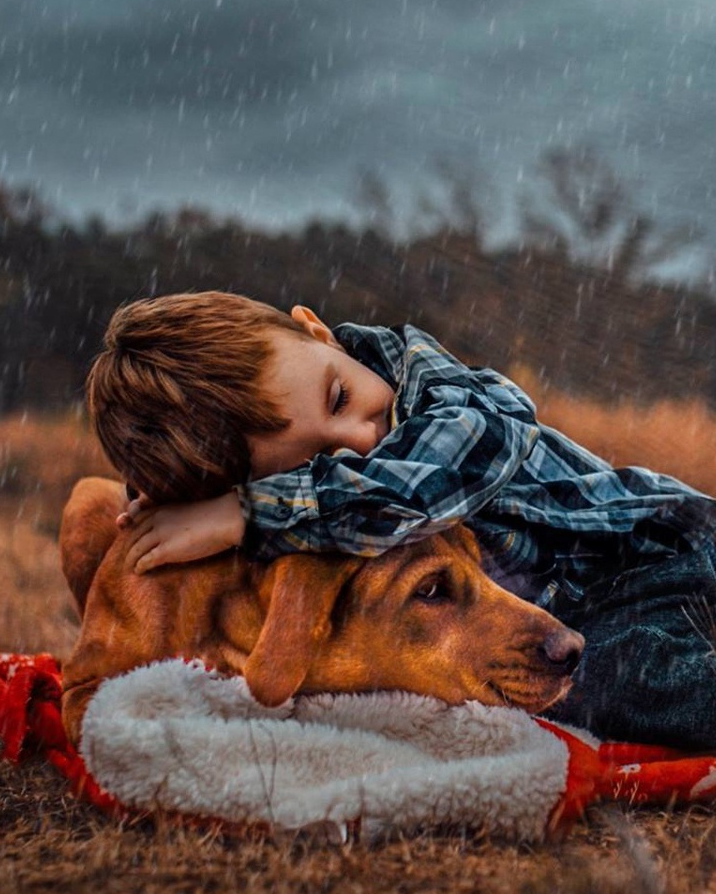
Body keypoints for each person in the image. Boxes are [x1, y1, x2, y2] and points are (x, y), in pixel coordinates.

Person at [87, 290, 716, 749]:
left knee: (627, 683)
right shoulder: (337, 495)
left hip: (664, 552)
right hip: (592, 607)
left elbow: (456, 454)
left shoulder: (436, 393)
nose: (362, 439)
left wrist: (251, 511)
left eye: (339, 397)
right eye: (320, 459)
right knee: (592, 681)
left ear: (318, 333)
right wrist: (169, 500)